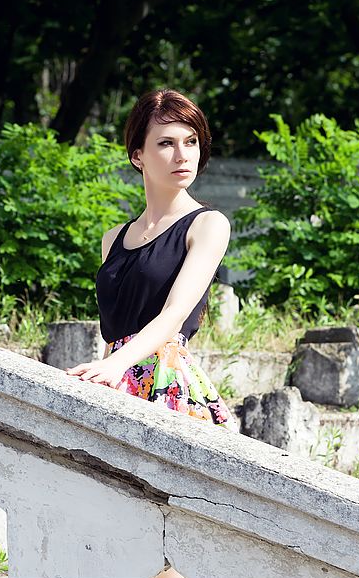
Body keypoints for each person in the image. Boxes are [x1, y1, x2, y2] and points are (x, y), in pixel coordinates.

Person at [66, 88, 239, 435]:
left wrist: (117, 364)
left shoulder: (208, 224)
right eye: (166, 143)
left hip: (166, 382)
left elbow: (174, 315)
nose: (182, 155)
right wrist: (108, 370)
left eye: (191, 141)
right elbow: (114, 330)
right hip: (116, 377)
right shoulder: (113, 238)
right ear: (138, 156)